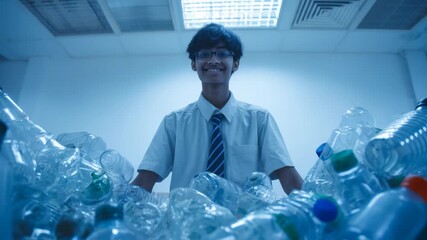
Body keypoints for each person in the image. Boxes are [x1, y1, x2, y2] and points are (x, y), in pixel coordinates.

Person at [132, 23, 303, 195]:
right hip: (189, 220)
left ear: (235, 64)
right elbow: (144, 180)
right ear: (194, 64)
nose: (213, 60)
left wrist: (319, 210)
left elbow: (288, 177)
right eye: (204, 54)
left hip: (247, 221)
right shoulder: (174, 123)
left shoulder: (259, 119)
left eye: (223, 53)